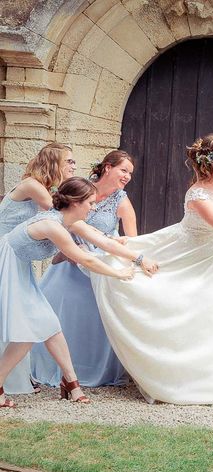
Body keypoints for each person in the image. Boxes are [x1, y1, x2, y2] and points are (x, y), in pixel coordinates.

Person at [89, 132, 213, 405]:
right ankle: (176, 376)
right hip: (182, 251)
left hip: (210, 256)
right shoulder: (197, 194)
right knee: (168, 298)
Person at [0, 177, 158, 408]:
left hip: (20, 267)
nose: (94, 207)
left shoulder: (69, 221)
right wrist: (118, 274)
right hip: (8, 266)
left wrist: (140, 258)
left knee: (51, 326)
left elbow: (104, 243)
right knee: (28, 332)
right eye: (90, 202)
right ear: (75, 202)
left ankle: (71, 383)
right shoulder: (52, 225)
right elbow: (83, 257)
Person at [31, 151, 138, 387]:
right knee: (59, 314)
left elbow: (132, 239)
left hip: (98, 269)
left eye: (130, 173)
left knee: (95, 320)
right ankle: (55, 370)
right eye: (123, 170)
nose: (127, 176)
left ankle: (88, 371)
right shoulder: (80, 189)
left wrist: (120, 248)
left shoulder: (122, 200)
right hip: (67, 265)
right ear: (107, 168)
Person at [0, 142, 75, 395]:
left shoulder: (41, 187)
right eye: (69, 161)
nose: (73, 166)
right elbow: (59, 213)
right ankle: (70, 382)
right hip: (5, 255)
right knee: (28, 318)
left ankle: (69, 381)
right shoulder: (32, 185)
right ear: (54, 163)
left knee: (31, 317)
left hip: (17, 258)